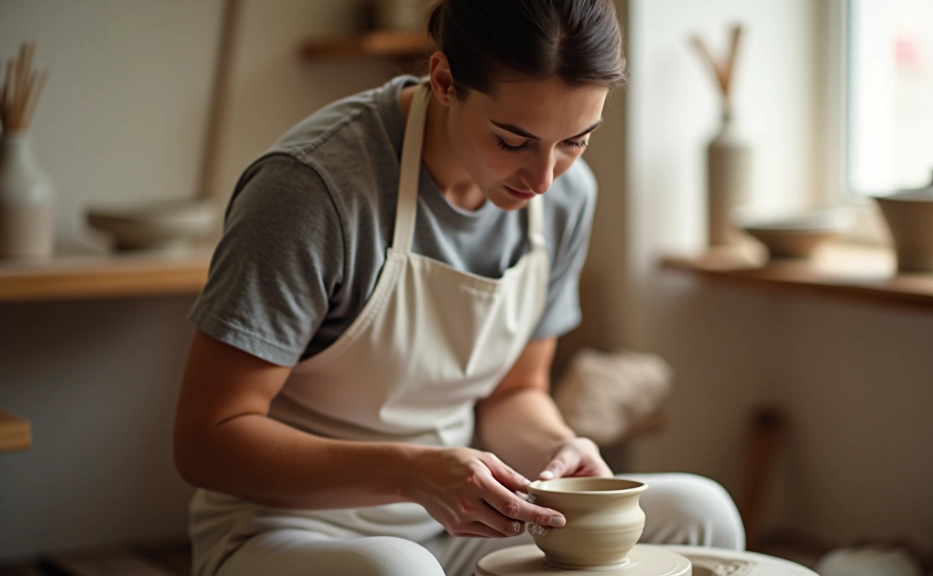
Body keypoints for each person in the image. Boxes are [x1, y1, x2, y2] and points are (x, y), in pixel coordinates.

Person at [172, 1, 745, 574]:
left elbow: (514, 392)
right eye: (512, 140)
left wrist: (553, 448)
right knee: (400, 569)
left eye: (575, 141)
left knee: (701, 512)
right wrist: (412, 472)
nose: (543, 178)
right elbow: (207, 440)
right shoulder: (313, 190)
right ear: (445, 81)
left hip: (452, 521)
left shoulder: (566, 198)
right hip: (284, 528)